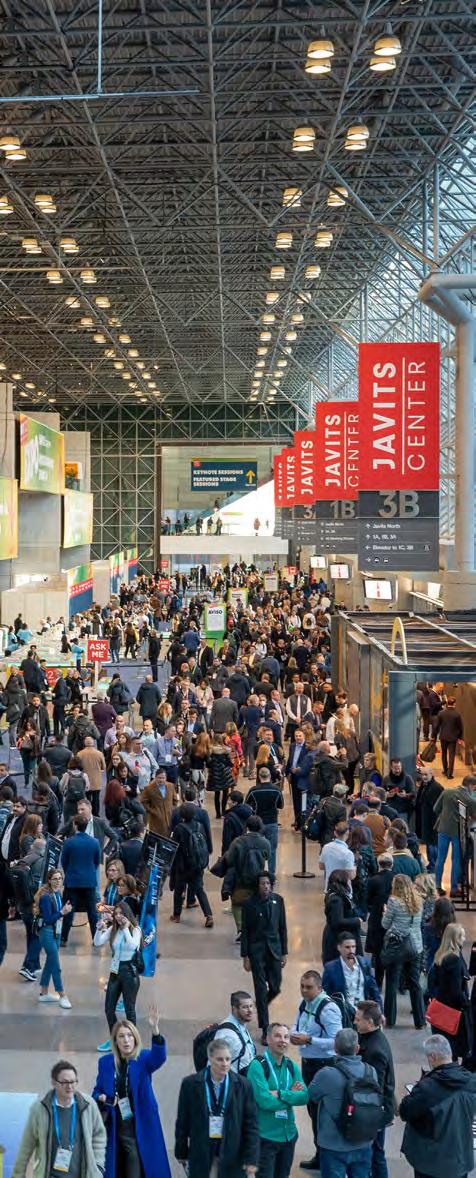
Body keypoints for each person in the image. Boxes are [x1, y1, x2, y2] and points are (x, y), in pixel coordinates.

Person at [93, 1002, 171, 1177]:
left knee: (137, 1167)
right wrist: (102, 1097)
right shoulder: (105, 1063)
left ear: (135, 1038)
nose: (126, 1040)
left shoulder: (142, 1059)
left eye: (130, 1035)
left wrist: (155, 1030)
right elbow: (96, 1091)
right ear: (115, 1041)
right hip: (115, 1127)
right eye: (121, 1036)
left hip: (139, 1125)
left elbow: (159, 1057)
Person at [175, 1037, 259, 1178]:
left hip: (232, 1155)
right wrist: (181, 1151)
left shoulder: (243, 1085)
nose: (225, 1064)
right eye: (220, 1059)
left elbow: (251, 1124)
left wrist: (251, 1158)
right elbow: (183, 1121)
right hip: (201, 1153)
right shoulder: (190, 1084)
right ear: (210, 1058)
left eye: (228, 1059)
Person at [12, 1058, 106, 1178]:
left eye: (73, 1082)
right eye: (64, 1082)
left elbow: (99, 1135)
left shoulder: (88, 1105)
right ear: (54, 1083)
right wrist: (18, 1174)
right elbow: (27, 1145)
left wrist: (98, 1166)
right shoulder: (40, 1108)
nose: (70, 1086)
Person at [399, 1034, 476, 1178]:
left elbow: (405, 1111)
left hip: (431, 1162)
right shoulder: (471, 1081)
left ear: (432, 1057)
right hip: (460, 1160)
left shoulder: (426, 1088)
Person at [308, 1028, 381, 1178]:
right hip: (363, 1141)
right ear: (357, 1048)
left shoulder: (326, 1074)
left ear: (335, 1048)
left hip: (333, 1145)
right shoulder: (371, 1072)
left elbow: (312, 1095)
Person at [290, 970, 343, 1173]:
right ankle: (320, 1155)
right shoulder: (304, 1003)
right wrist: (293, 1034)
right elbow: (296, 1024)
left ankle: (327, 1158)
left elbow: (337, 1041)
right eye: (302, 986)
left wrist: (310, 1040)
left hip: (323, 1065)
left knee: (323, 1114)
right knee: (313, 1111)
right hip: (309, 1064)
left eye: (309, 987)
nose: (304, 990)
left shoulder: (328, 1009)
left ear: (320, 988)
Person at [247, 1022, 308, 1178]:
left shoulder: (291, 1066)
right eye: (278, 1036)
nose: (283, 1040)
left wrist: (281, 1094)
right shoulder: (257, 1066)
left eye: (286, 1037)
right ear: (268, 1039)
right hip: (266, 1138)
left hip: (289, 1135)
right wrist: (292, 1095)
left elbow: (304, 1097)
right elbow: (264, 1101)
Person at [241, 872, 287, 1044]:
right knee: (260, 990)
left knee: (275, 987)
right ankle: (265, 1027)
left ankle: (260, 1005)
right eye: (262, 883)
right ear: (257, 885)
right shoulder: (249, 904)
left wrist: (284, 952)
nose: (266, 886)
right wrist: (245, 956)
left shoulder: (278, 901)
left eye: (268, 883)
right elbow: (245, 931)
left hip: (274, 950)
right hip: (257, 952)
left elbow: (282, 927)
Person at [354, 1001, 395, 1178]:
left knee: (376, 1154)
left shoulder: (375, 1050)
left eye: (358, 1019)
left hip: (375, 1112)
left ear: (369, 1022)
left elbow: (375, 1087)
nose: (354, 1022)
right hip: (376, 1109)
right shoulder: (372, 1038)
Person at [94, 900, 142, 1046]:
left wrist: (126, 928)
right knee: (109, 1009)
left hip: (129, 972)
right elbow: (97, 942)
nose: (118, 916)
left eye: (121, 913)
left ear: (127, 914)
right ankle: (115, 1040)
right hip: (115, 972)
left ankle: (133, 1041)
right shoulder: (113, 929)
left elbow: (133, 945)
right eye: (116, 914)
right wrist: (99, 929)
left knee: (129, 1010)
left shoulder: (136, 929)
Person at [381, 874, 426, 1029]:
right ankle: (420, 1021)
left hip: (398, 947)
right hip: (415, 946)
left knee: (392, 983)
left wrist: (385, 913)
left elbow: (385, 924)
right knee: (415, 983)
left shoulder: (394, 902)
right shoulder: (419, 901)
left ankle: (390, 1019)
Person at [427, 922, 472, 1062]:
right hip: (453, 1012)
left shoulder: (440, 956)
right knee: (454, 1048)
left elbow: (433, 982)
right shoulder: (455, 960)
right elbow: (456, 990)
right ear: (455, 938)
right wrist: (467, 1004)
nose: (465, 939)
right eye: (462, 936)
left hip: (441, 1009)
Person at [222, 815, 270, 937]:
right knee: (256, 903)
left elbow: (230, 859)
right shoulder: (265, 842)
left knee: (237, 903)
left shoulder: (238, 841)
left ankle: (240, 928)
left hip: (240, 878)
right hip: (257, 879)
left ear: (247, 826)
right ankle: (254, 927)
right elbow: (267, 857)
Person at [170, 801, 214, 927]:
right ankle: (209, 915)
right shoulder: (200, 826)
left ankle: (177, 915)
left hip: (183, 866)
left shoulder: (179, 828)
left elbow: (174, 847)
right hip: (197, 865)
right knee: (200, 890)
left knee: (179, 890)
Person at [433, 775, 476, 897]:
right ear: (470, 786)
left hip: (443, 829)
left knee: (440, 859)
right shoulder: (469, 800)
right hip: (458, 833)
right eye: (474, 788)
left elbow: (436, 808)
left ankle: (437, 886)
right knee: (456, 860)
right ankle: (453, 889)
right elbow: (474, 816)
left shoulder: (447, 792)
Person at [60, 816, 100, 945]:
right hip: (89, 881)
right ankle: (96, 938)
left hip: (72, 881)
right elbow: (96, 862)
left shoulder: (68, 842)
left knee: (68, 910)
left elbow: (64, 862)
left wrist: (70, 872)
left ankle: (64, 938)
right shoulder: (95, 842)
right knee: (92, 912)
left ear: (74, 825)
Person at [323, 931, 382, 1010]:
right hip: (343, 1011)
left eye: (353, 947)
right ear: (339, 947)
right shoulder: (331, 968)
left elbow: (374, 989)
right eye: (347, 947)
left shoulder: (364, 964)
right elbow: (325, 994)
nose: (351, 950)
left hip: (363, 1010)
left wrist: (379, 1011)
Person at [246, 768, 284, 876]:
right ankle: (271, 874)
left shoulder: (253, 790)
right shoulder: (276, 790)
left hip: (258, 823)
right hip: (272, 822)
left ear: (259, 776)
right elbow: (281, 805)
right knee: (272, 849)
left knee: (257, 849)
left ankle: (258, 873)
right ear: (270, 776)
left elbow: (247, 804)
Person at [365, 852, 394, 988]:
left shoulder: (373, 880)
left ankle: (378, 981)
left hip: (377, 918)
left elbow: (367, 900)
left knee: (378, 951)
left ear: (379, 864)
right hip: (393, 919)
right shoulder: (396, 879)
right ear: (392, 864)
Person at [322, 871, 363, 964]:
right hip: (338, 938)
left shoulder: (335, 895)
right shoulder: (336, 900)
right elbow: (337, 921)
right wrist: (356, 921)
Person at [213, 991, 258, 1075]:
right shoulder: (227, 1034)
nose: (250, 1010)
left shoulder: (240, 1025)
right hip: (234, 1081)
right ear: (234, 1009)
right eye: (245, 1007)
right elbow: (216, 1065)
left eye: (251, 1006)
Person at [414, 767, 444, 870]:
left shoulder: (437, 788)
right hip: (425, 820)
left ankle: (434, 865)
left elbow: (440, 806)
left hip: (433, 822)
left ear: (432, 774)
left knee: (433, 844)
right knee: (428, 843)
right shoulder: (424, 785)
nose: (424, 777)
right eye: (422, 775)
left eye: (426, 775)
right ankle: (431, 864)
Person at [285, 728, 314, 829]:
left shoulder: (308, 747)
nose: (298, 738)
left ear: (304, 736)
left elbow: (308, 764)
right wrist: (287, 772)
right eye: (296, 736)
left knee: (303, 801)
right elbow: (290, 759)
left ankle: (303, 822)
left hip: (303, 778)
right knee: (295, 800)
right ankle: (297, 821)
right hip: (293, 777)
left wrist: (299, 769)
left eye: (300, 736)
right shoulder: (292, 746)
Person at [423, 895, 456, 975]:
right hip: (450, 967)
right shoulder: (454, 930)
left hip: (432, 965)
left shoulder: (429, 928)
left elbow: (425, 948)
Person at [319, 822, 355, 890]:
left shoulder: (326, 847)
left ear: (335, 833)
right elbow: (351, 876)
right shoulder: (348, 853)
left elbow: (321, 866)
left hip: (329, 888)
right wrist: (355, 867)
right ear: (347, 834)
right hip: (344, 890)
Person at [434, 696, 464, 778]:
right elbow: (460, 727)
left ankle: (445, 770)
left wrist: (434, 736)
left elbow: (436, 726)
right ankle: (449, 774)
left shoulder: (441, 713)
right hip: (453, 738)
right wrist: (460, 738)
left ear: (447, 703)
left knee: (444, 754)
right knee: (451, 755)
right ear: (454, 704)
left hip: (443, 737)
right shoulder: (457, 714)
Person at [207, 735, 236, 819]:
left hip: (215, 775)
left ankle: (218, 814)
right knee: (225, 793)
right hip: (225, 775)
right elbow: (230, 764)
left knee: (217, 794)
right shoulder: (226, 750)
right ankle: (223, 812)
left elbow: (208, 764)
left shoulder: (210, 751)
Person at [141, 767, 176, 836]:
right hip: (156, 821)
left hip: (169, 819)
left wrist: (172, 809)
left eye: (163, 778)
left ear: (166, 778)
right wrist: (153, 811)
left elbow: (175, 800)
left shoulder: (171, 786)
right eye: (159, 778)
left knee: (168, 838)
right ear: (155, 778)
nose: (161, 780)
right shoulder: (149, 788)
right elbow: (143, 801)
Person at [76, 736, 106, 816]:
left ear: (84, 743)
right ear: (93, 743)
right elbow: (104, 767)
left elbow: (78, 767)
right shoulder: (99, 753)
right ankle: (96, 814)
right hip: (96, 781)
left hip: (85, 781)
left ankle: (87, 814)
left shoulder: (80, 754)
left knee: (87, 799)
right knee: (96, 799)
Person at [382, 757, 416, 823]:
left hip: (403, 811)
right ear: (391, 767)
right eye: (395, 768)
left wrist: (405, 795)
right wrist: (386, 795)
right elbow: (381, 793)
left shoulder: (407, 778)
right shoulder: (386, 779)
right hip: (390, 811)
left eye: (399, 767)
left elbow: (413, 794)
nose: (397, 770)